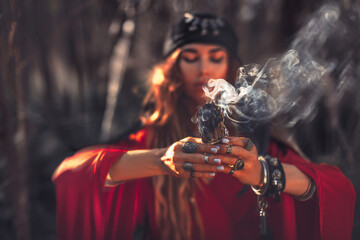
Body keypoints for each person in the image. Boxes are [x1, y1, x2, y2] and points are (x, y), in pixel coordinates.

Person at [52, 13, 356, 240]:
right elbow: (72, 174)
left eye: (216, 57)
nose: (204, 69)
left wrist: (263, 173)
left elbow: (333, 190)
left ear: (230, 66)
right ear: (172, 68)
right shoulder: (152, 138)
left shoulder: (254, 137)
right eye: (190, 57)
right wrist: (160, 160)